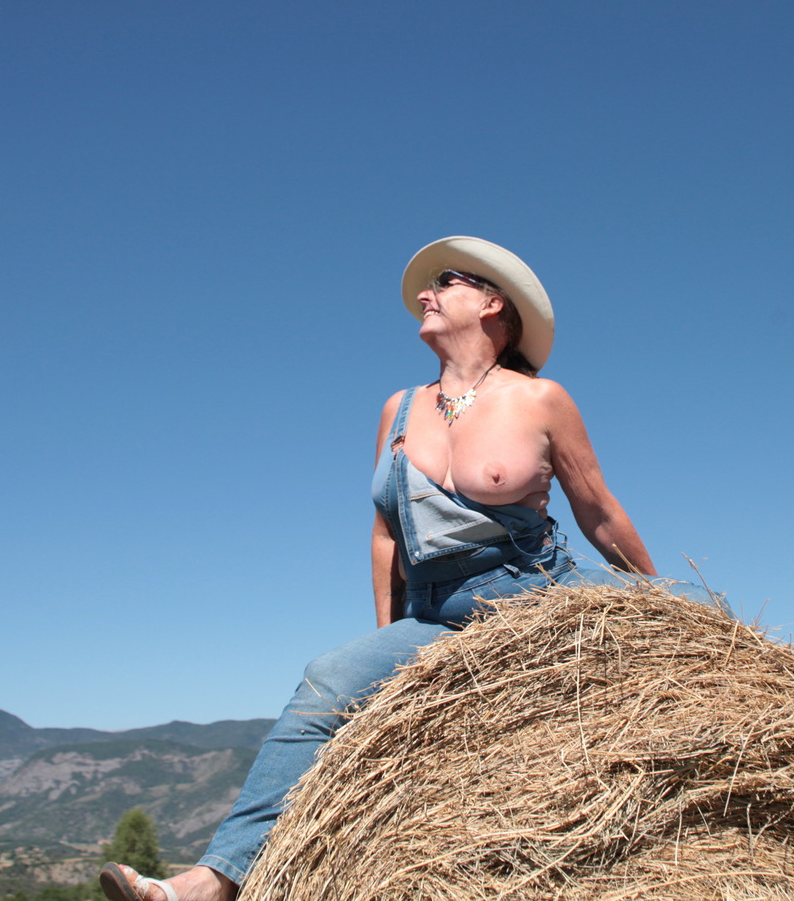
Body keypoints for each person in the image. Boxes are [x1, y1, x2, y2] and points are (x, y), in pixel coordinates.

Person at [100, 236, 656, 901]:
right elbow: (386, 534)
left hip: (535, 587)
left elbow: (598, 511)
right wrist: (389, 642)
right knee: (324, 680)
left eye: (444, 282)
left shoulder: (540, 399)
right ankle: (211, 880)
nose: (424, 294)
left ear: (492, 303)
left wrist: (662, 604)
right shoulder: (400, 408)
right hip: (437, 608)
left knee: (705, 617)